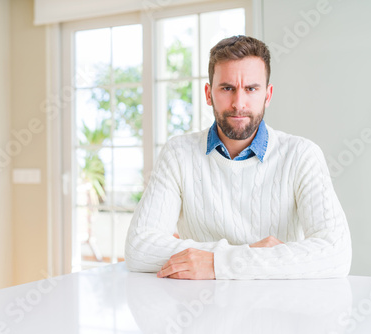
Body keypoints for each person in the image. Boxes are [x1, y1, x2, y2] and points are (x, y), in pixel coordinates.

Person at [125, 35, 352, 280]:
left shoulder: (302, 156)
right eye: (227, 88)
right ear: (209, 93)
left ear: (268, 95)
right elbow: (139, 248)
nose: (238, 103)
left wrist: (216, 263)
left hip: (277, 312)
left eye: (251, 89)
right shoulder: (178, 154)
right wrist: (249, 255)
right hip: (199, 309)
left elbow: (336, 253)